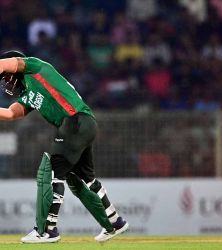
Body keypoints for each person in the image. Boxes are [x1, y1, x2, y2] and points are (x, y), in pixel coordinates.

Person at [0, 50, 129, 243]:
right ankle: (115, 222)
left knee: (54, 170)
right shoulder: (27, 94)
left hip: (75, 121)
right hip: (82, 124)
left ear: (14, 69)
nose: (6, 83)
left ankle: (48, 230)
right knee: (87, 179)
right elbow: (11, 114)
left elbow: (2, 64)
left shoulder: (34, 66)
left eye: (6, 78)